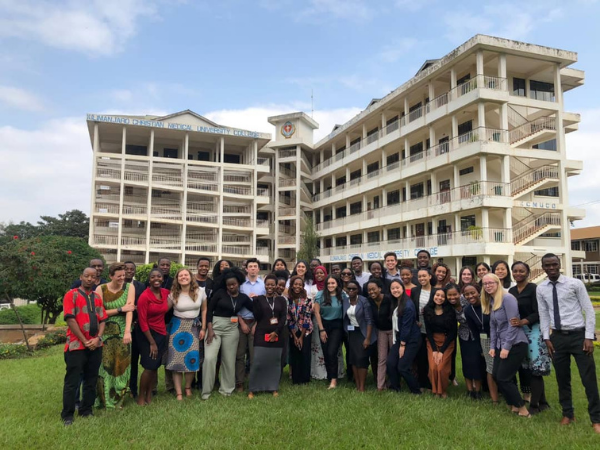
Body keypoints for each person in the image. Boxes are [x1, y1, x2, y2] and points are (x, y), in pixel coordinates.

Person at [537, 253, 600, 432]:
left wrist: (589, 337)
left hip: (579, 336)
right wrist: (546, 338)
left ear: (559, 265)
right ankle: (568, 414)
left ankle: (596, 419)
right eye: (547, 265)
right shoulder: (541, 288)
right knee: (562, 378)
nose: (551, 268)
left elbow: (588, 309)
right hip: (557, 338)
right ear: (543, 268)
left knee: (588, 379)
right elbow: (544, 314)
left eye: (554, 264)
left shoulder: (575, 284)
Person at [61, 267, 107, 425]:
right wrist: (85, 340)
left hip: (95, 345)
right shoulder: (71, 295)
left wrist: (98, 338)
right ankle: (67, 414)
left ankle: (86, 410)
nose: (89, 279)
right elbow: (70, 319)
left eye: (92, 277)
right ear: (81, 277)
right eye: (86, 276)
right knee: (72, 381)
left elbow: (102, 320)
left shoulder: (96, 297)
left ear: (96, 280)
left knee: (91, 379)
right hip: (76, 345)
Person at [482, 273, 530, 417]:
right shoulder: (492, 300)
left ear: (498, 283)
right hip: (499, 344)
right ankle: (514, 405)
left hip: (515, 343)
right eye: (485, 284)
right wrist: (492, 347)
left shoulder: (508, 299)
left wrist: (506, 347)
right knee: (496, 375)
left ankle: (523, 409)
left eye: (491, 282)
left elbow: (513, 325)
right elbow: (493, 326)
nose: (488, 286)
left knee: (504, 377)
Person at [202, 269, 253, 400]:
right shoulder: (219, 293)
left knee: (229, 360)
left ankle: (226, 390)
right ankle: (206, 391)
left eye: (234, 284)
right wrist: (210, 329)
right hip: (215, 327)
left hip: (232, 329)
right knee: (209, 358)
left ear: (239, 283)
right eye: (229, 284)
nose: (231, 286)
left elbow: (257, 310)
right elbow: (209, 311)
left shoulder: (243, 298)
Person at [509, 261, 551, 414]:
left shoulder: (534, 289)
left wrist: (523, 322)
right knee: (526, 367)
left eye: (521, 271)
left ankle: (534, 405)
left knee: (536, 368)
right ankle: (543, 401)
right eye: (515, 271)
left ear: (528, 273)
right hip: (518, 332)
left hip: (533, 330)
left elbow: (539, 311)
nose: (518, 273)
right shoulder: (512, 291)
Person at [94, 263, 135, 409]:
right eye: (119, 276)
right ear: (111, 276)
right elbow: (99, 312)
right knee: (104, 367)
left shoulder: (130, 287)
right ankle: (103, 398)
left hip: (122, 330)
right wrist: (120, 309)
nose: (122, 278)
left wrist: (127, 331)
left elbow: (130, 310)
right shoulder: (101, 289)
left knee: (121, 366)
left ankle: (119, 399)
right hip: (104, 331)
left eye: (123, 276)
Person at [166, 268, 207, 401]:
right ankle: (179, 393)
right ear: (177, 279)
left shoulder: (200, 291)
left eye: (186, 275)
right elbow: (163, 310)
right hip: (177, 327)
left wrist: (203, 328)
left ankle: (188, 388)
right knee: (176, 360)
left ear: (191, 277)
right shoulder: (173, 294)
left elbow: (204, 310)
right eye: (180, 275)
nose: (183, 277)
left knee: (191, 359)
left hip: (194, 327)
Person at [247, 274, 288, 398]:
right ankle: (252, 389)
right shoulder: (259, 299)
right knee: (258, 361)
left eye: (272, 284)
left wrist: (276, 332)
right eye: (268, 284)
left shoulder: (281, 300)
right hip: (261, 333)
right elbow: (257, 316)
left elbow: (284, 317)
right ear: (264, 285)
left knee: (274, 362)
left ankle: (273, 388)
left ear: (276, 285)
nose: (270, 286)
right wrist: (255, 302)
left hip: (277, 334)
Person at [135, 268, 169, 406]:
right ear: (149, 280)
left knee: (155, 366)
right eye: (153, 277)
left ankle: (149, 395)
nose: (156, 279)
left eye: (159, 276)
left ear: (162, 279)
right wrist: (152, 342)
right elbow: (142, 322)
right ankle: (141, 398)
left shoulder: (166, 293)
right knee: (149, 366)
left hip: (161, 333)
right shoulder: (145, 296)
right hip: (146, 334)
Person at [386, 279, 421, 394]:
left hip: (411, 340)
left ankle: (416, 391)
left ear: (402, 288)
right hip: (400, 337)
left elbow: (406, 327)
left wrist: (402, 345)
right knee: (391, 363)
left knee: (403, 367)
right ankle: (395, 388)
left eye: (397, 287)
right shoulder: (396, 302)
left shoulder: (407, 305)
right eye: (393, 288)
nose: (395, 290)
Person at [236, 258, 265, 392]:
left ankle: (254, 382)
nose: (253, 268)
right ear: (246, 269)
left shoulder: (263, 285)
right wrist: (241, 322)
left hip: (256, 322)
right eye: (250, 266)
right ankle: (239, 382)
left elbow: (265, 307)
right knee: (240, 355)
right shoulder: (240, 285)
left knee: (254, 356)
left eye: (255, 266)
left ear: (258, 269)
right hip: (241, 322)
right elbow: (235, 306)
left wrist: (256, 324)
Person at [423, 288, 457, 398]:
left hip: (447, 341)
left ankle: (442, 390)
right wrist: (434, 350)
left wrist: (441, 351)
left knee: (441, 367)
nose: (440, 298)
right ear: (433, 296)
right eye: (437, 295)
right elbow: (428, 331)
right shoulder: (427, 310)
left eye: (442, 296)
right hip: (432, 341)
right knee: (433, 367)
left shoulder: (450, 311)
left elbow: (453, 332)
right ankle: (435, 390)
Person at [342, 280, 375, 391]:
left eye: (354, 289)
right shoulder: (345, 301)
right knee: (353, 359)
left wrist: (368, 338)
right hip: (352, 333)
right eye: (349, 289)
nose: (351, 291)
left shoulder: (363, 301)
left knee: (362, 359)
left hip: (363, 332)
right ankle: (357, 385)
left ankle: (362, 386)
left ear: (358, 290)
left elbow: (369, 320)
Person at [314, 275, 346, 389]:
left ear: (337, 284)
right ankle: (330, 376)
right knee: (326, 352)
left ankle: (334, 380)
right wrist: (322, 329)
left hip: (337, 325)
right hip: (324, 325)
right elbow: (317, 313)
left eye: (333, 283)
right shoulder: (320, 295)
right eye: (328, 283)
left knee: (332, 352)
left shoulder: (342, 295)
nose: (330, 285)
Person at [461, 284, 487, 400]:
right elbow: (474, 330)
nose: (470, 296)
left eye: (473, 293)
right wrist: (480, 347)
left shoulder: (487, 304)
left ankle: (480, 390)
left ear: (479, 292)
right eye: (467, 294)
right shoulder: (467, 310)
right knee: (470, 362)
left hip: (492, 338)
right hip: (475, 339)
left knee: (481, 365)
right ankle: (472, 392)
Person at [367, 278, 394, 391]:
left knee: (393, 358)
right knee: (381, 358)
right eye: (369, 290)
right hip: (381, 331)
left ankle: (394, 382)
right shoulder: (369, 301)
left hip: (393, 330)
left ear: (380, 289)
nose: (371, 292)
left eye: (374, 289)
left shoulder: (389, 299)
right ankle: (380, 386)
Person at [124, 260, 145, 399]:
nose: (129, 271)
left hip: (137, 327)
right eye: (126, 268)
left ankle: (133, 389)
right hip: (121, 326)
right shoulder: (117, 286)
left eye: (132, 269)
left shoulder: (140, 286)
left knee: (134, 360)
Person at [410, 268, 434, 390]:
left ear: (430, 276)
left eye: (424, 276)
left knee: (430, 356)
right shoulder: (415, 291)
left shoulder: (436, 291)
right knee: (421, 356)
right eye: (419, 277)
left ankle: (432, 381)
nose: (422, 279)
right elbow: (412, 308)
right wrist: (415, 321)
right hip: (418, 327)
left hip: (432, 328)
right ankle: (422, 382)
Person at [287, 276, 313, 385]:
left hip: (305, 331)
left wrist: (301, 337)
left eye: (300, 284)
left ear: (303, 286)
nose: (297, 286)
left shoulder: (308, 301)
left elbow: (307, 319)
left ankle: (305, 378)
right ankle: (296, 378)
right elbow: (289, 318)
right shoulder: (288, 300)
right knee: (295, 353)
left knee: (304, 352)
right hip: (293, 330)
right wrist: (295, 336)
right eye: (295, 284)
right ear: (292, 285)